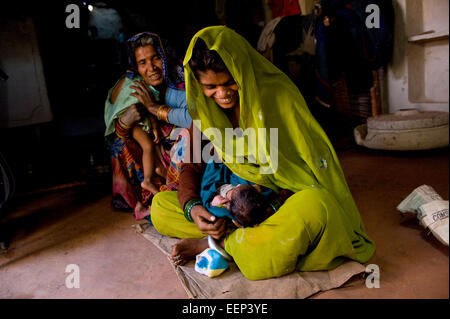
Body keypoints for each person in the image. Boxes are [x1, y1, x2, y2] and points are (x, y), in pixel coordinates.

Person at [150, 26, 375, 280]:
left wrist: (265, 208)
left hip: (273, 204)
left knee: (318, 206)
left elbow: (306, 174)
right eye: (210, 87)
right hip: (228, 209)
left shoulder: (277, 97)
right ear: (197, 84)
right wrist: (194, 210)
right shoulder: (204, 108)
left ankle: (222, 245)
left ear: (243, 70)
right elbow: (191, 166)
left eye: (229, 82)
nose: (222, 94)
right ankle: (236, 238)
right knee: (160, 206)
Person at [104, 32, 192, 220]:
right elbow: (121, 123)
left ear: (165, 56)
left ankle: (172, 187)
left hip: (187, 146)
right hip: (158, 148)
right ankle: (148, 188)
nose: (151, 68)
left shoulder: (182, 78)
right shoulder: (135, 86)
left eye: (156, 58)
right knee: (122, 144)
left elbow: (197, 118)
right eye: (142, 62)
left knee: (188, 138)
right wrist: (126, 122)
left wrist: (154, 109)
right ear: (135, 66)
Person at [201, 160, 277, 228]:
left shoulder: (225, 205)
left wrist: (213, 202)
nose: (239, 185)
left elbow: (208, 192)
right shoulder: (262, 199)